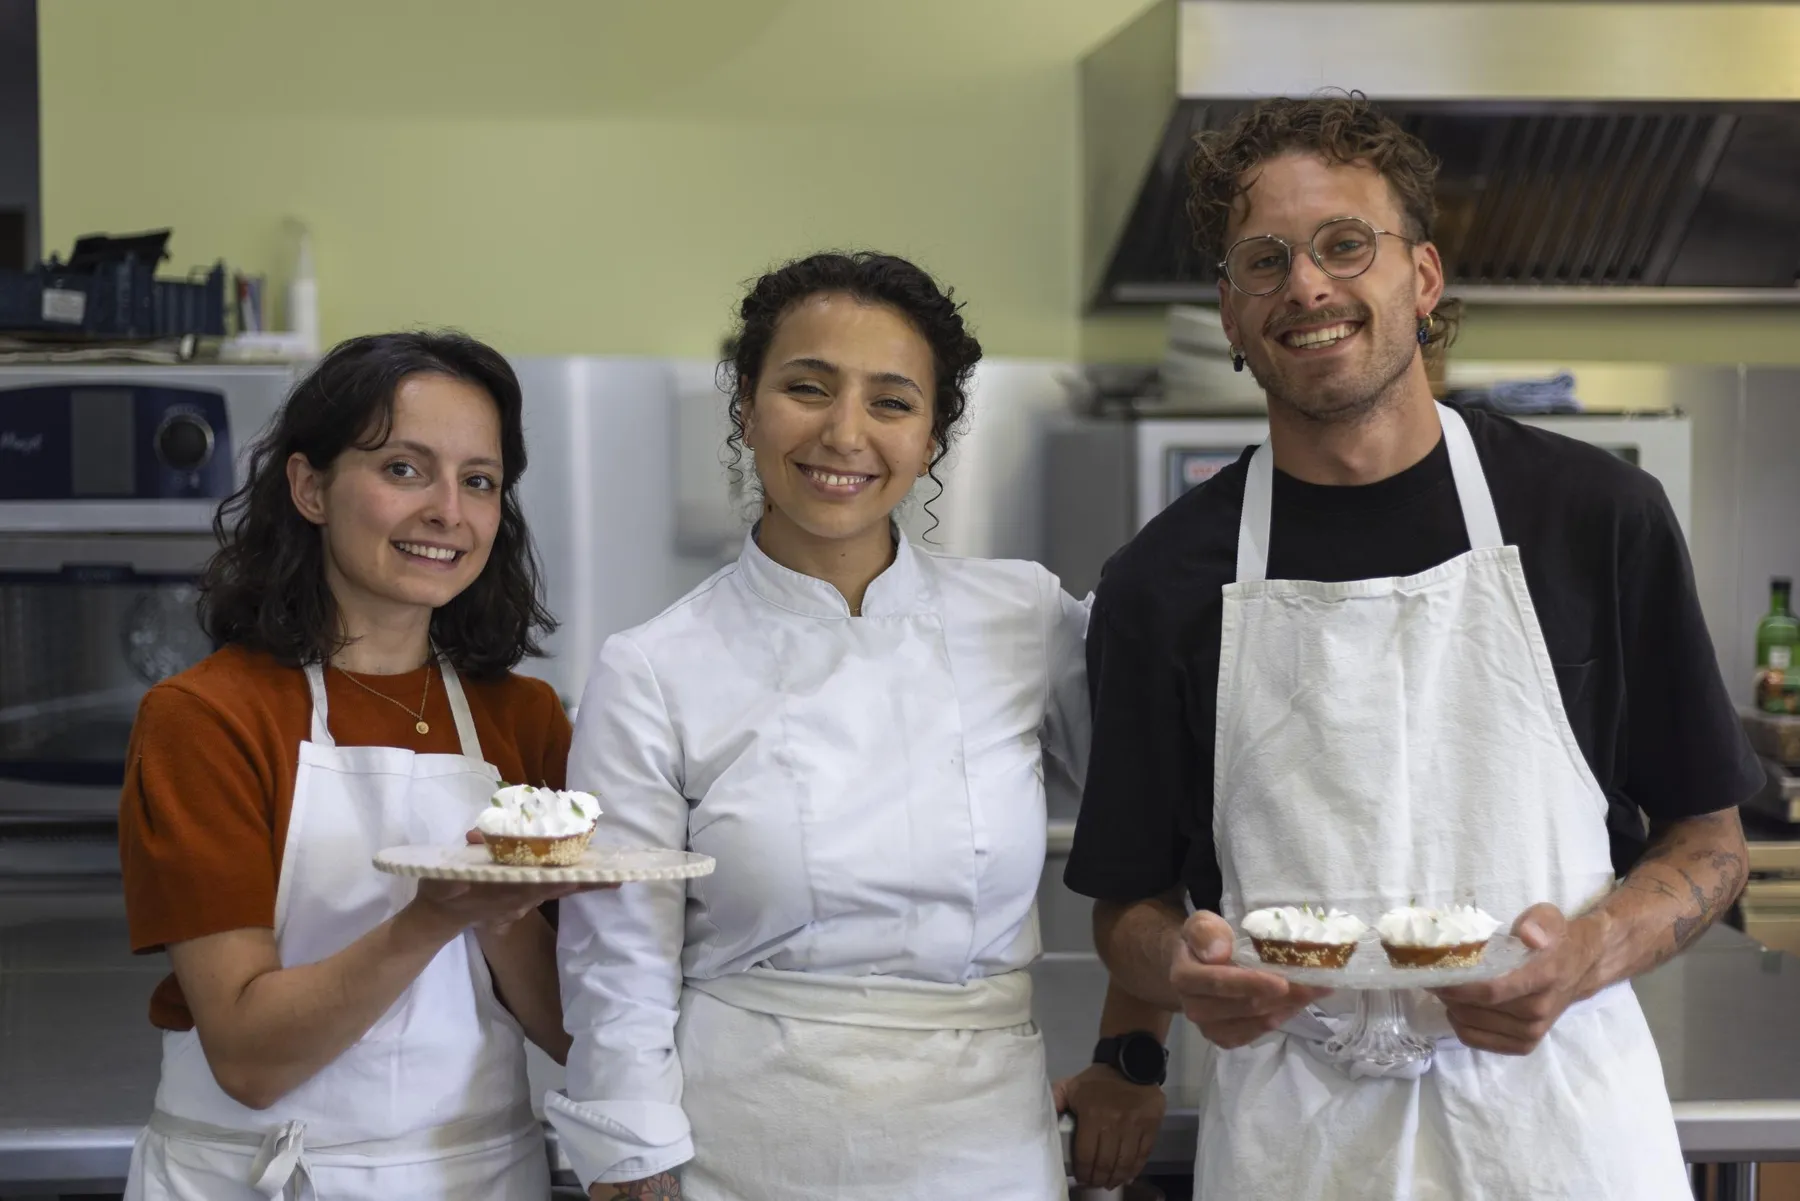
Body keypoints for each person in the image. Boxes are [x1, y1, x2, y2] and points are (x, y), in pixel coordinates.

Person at [1064, 94, 1760, 1200]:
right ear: (1232, 317)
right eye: (1264, 261)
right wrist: (1181, 970)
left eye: (1345, 244)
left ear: (1423, 278)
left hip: (1559, 1125)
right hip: (1300, 1143)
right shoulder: (1160, 582)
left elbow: (1710, 843)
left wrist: (1588, 953)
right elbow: (1129, 907)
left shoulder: (1597, 517)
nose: (1306, 286)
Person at [547, 251, 1139, 1200]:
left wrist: (1133, 1049)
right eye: (807, 388)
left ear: (933, 438)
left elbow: (1152, 816)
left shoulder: (1023, 617)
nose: (844, 432)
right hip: (747, 1136)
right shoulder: (654, 666)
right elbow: (617, 948)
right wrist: (632, 1148)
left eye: (891, 402)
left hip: (984, 1138)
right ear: (747, 406)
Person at [119, 331, 593, 1199]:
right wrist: (432, 916)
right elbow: (250, 1060)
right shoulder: (206, 719)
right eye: (404, 469)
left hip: (480, 1174)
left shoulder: (523, 718)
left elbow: (575, 1033)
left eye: (479, 481)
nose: (448, 511)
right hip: (260, 1173)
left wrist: (498, 911)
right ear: (310, 487)